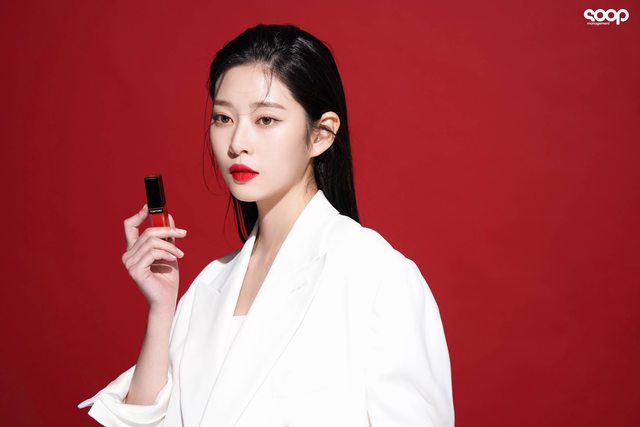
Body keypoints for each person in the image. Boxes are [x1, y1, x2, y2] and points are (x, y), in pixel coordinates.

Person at [78, 23, 454, 426]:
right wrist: (161, 310)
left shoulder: (376, 275)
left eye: (266, 120)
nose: (237, 142)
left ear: (321, 134)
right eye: (223, 117)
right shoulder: (208, 285)